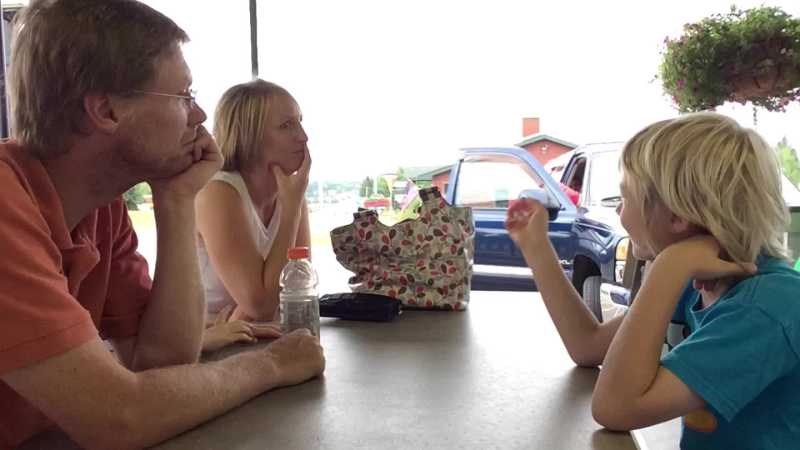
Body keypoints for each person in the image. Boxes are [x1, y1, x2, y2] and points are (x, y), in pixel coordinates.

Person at [0, 1, 324, 449]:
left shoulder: (102, 209)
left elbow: (162, 363)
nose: (200, 116)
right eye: (184, 96)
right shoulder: (6, 203)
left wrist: (177, 199)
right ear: (106, 111)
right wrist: (271, 364)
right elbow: (119, 417)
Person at [505, 112, 800, 449]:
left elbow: (616, 408)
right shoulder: (698, 282)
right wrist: (537, 248)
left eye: (625, 198)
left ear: (676, 216)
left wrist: (669, 266)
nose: (619, 212)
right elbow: (588, 346)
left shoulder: (766, 308)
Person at [196, 80, 311, 352]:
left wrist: (245, 315)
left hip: (249, 337)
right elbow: (261, 305)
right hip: (199, 347)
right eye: (286, 125)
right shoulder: (218, 191)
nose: (303, 136)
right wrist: (291, 210)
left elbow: (297, 288)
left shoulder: (291, 193)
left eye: (300, 122)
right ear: (249, 135)